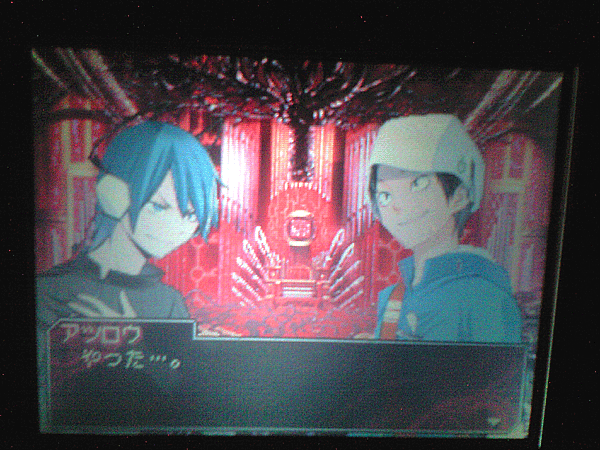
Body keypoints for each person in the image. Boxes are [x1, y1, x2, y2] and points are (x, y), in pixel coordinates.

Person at [36, 120, 220, 429]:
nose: (177, 227)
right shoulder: (49, 293)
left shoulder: (168, 301)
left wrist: (132, 348)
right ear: (113, 193)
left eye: (189, 215)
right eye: (160, 206)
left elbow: (180, 401)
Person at [368, 114, 522, 343]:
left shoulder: (485, 298)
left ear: (459, 196)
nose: (397, 207)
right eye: (385, 195)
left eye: (418, 184)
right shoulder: (392, 298)